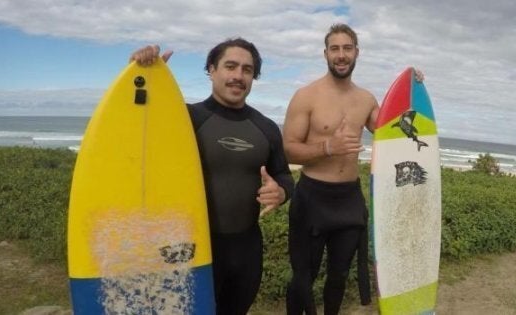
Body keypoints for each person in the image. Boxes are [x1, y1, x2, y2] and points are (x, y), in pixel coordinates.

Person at [130, 38, 294, 315]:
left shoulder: (266, 128)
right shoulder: (185, 118)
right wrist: (144, 73)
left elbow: (284, 176)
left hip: (246, 249)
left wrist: (281, 192)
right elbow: (137, 127)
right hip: (192, 248)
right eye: (230, 66)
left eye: (247, 69)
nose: (238, 76)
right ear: (212, 70)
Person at [282, 23, 423, 314]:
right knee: (302, 278)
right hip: (312, 197)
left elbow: (394, 131)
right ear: (326, 54)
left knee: (340, 276)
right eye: (335, 48)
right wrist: (327, 147)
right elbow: (289, 149)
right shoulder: (306, 96)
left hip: (349, 199)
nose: (341, 55)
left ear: (356, 53)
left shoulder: (366, 99)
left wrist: (414, 91)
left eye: (347, 48)